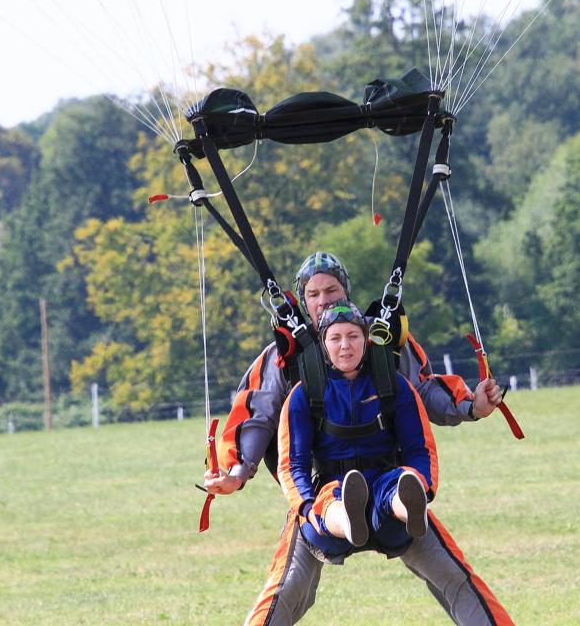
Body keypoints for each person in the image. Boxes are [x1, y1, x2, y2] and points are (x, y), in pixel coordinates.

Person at [204, 252, 515, 625]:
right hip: (319, 494)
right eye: (314, 294)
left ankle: (405, 503)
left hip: (389, 484)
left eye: (332, 290)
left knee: (456, 577)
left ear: (346, 293)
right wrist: (237, 472)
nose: (324, 300)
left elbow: (423, 390)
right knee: (287, 591)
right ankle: (349, 517)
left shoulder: (383, 346)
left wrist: (471, 406)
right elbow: (257, 414)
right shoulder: (281, 359)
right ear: (303, 301)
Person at [280, 300, 437, 562]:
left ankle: (409, 509)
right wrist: (306, 505)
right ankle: (349, 521)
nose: (345, 345)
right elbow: (293, 464)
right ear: (323, 344)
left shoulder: (393, 384)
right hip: (332, 494)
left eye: (353, 336)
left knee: (399, 483)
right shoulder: (304, 394)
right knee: (329, 500)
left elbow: (420, 448)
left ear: (366, 340)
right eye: (335, 338)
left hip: (385, 492)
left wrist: (422, 484)